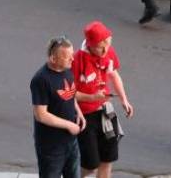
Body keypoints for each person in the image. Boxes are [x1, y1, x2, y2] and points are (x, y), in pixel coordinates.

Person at [72, 21, 134, 178]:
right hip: (84, 115)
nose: (106, 50)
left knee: (107, 159)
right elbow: (69, 93)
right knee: (90, 164)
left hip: (105, 112)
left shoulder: (108, 53)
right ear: (90, 44)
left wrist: (124, 100)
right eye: (101, 46)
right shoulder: (77, 60)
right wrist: (92, 97)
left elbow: (114, 75)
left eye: (108, 44)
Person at [31, 37, 85, 178]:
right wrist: (69, 125)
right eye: (67, 57)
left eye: (72, 55)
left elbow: (70, 95)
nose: (72, 60)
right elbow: (41, 114)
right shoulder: (41, 80)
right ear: (53, 59)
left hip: (71, 142)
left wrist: (78, 113)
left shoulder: (67, 70)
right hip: (51, 147)